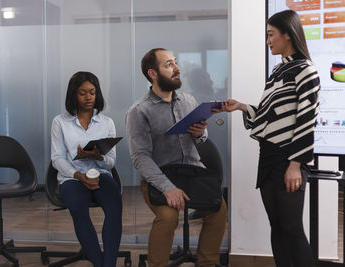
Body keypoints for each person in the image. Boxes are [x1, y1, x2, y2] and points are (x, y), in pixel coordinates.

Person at [214, 10, 320, 267]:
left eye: (271, 35)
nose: (268, 40)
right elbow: (269, 115)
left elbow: (307, 120)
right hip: (269, 156)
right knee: (278, 227)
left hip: (288, 158)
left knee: (292, 228)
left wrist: (296, 165)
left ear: (288, 35)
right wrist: (240, 107)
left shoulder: (306, 70)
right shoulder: (277, 72)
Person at [126, 48, 227, 267]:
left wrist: (200, 134)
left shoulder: (188, 100)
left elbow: (201, 140)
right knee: (168, 217)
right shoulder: (139, 111)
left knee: (219, 210)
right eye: (169, 64)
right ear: (153, 74)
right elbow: (140, 157)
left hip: (192, 173)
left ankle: (207, 263)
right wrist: (167, 188)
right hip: (161, 177)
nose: (177, 68)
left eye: (175, 63)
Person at [51, 71, 122, 267]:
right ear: (74, 94)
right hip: (72, 178)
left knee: (115, 209)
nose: (89, 97)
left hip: (101, 175)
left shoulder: (107, 123)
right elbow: (56, 158)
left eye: (92, 92)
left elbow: (111, 162)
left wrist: (97, 156)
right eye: (83, 93)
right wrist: (78, 175)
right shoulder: (60, 122)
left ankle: (108, 264)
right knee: (78, 209)